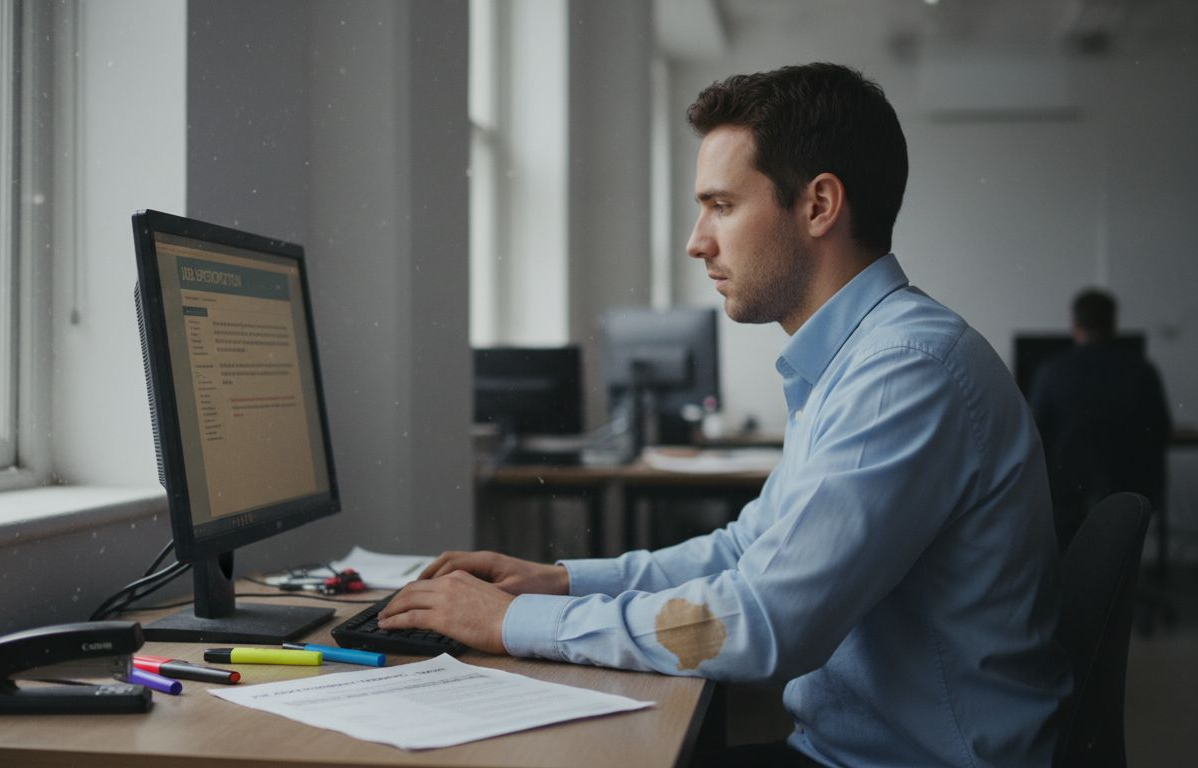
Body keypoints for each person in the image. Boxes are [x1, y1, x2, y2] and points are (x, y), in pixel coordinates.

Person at [379, 63, 1070, 767]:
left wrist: (513, 621)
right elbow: (747, 553)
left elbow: (762, 625)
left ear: (819, 205)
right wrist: (563, 581)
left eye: (722, 205)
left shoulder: (906, 373)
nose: (697, 241)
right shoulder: (861, 359)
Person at [1030, 288, 1171, 550]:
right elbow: (1161, 430)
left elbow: (1036, 434)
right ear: (1114, 324)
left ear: (1074, 324)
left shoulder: (1052, 371)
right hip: (1128, 492)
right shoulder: (1142, 371)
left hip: (1066, 493)